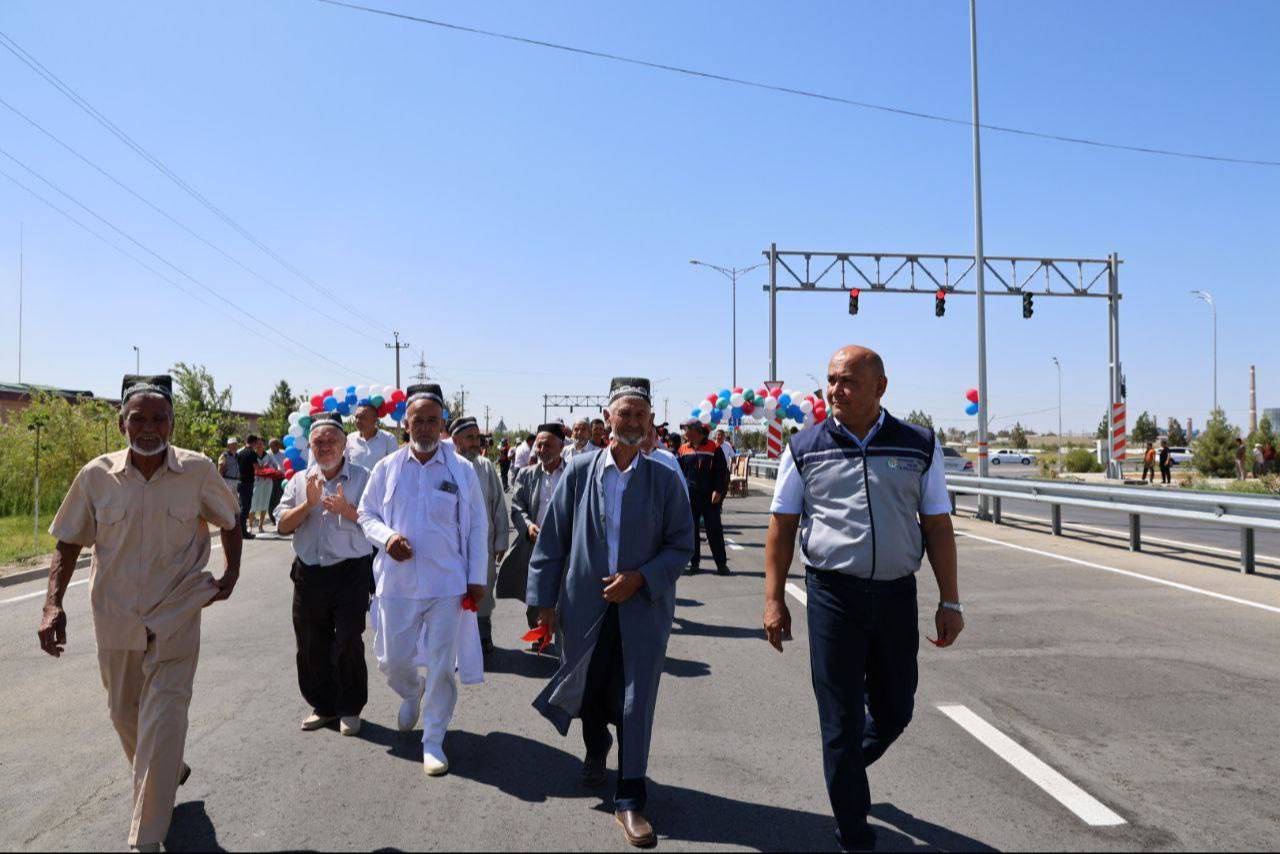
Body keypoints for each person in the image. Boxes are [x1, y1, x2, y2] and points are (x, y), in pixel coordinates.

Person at [763, 346, 963, 852]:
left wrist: (951, 601)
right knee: (840, 719)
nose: (835, 390)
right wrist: (773, 599)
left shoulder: (919, 444)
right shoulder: (804, 447)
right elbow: (781, 526)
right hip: (833, 597)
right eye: (831, 380)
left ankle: (845, 766)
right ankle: (853, 829)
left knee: (895, 710)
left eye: (848, 380)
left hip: (896, 596)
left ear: (880, 387)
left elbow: (937, 526)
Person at [38, 374, 242, 853]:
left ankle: (145, 839)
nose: (149, 427)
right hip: (116, 618)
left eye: (159, 418)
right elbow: (68, 541)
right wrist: (52, 603)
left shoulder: (197, 470)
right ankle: (170, 771)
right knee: (122, 713)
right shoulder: (95, 476)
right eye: (138, 418)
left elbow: (230, 519)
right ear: (121, 423)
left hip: (176, 615)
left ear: (172, 423)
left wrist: (231, 572)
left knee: (165, 720)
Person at [527, 377, 693, 848]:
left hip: (643, 607)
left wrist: (640, 578)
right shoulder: (580, 472)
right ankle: (595, 748)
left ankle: (631, 797)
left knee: (635, 699)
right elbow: (553, 540)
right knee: (590, 686)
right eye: (625, 414)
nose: (633, 422)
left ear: (651, 421)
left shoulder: (664, 476)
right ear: (607, 419)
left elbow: (681, 545)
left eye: (641, 414)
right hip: (584, 605)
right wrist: (543, 604)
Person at [357, 384, 489, 777]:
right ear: (406, 423)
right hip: (397, 584)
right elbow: (365, 514)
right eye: (419, 420)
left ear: (442, 423)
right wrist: (387, 538)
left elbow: (477, 526)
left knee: (442, 665)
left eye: (433, 420)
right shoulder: (387, 468)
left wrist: (476, 577)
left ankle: (433, 740)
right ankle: (411, 691)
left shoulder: (461, 469)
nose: (426, 427)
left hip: (447, 584)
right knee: (392, 659)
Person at [275, 413, 374, 736]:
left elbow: (380, 525)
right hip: (309, 573)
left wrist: (348, 512)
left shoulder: (364, 478)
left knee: (348, 639)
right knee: (310, 642)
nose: (326, 446)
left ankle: (350, 707)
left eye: (332, 440)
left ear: (345, 444)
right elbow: (282, 525)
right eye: (319, 441)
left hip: (350, 573)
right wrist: (308, 505)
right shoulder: (299, 481)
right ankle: (324, 706)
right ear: (310, 446)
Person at [496, 423, 568, 647]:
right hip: (536, 543)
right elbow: (517, 507)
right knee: (537, 591)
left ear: (561, 447)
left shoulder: (572, 474)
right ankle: (539, 634)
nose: (542, 450)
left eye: (548, 445)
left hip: (566, 543)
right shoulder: (527, 474)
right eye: (539, 445)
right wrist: (528, 527)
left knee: (565, 592)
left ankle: (564, 640)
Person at [449, 416, 509, 654]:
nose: (476, 442)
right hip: (452, 546)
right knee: (452, 594)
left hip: (483, 543)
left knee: (483, 590)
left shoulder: (485, 466)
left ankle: (483, 636)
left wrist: (501, 541)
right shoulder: (446, 464)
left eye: (477, 437)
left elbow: (498, 505)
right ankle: (456, 642)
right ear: (456, 440)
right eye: (470, 437)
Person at [679, 420, 731, 576]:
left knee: (714, 530)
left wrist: (718, 490)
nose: (685, 433)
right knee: (691, 531)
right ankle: (694, 563)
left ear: (696, 431)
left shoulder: (713, 447)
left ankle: (721, 564)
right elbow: (679, 473)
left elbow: (722, 472)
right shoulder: (683, 449)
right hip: (690, 496)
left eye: (687, 430)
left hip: (710, 497)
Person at [346, 402, 399, 470]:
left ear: (375, 419)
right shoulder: (350, 438)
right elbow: (345, 464)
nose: (358, 421)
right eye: (356, 417)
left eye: (362, 417)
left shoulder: (388, 439)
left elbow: (395, 466)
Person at [235, 435, 262, 539]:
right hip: (247, 483)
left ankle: (240, 531)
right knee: (245, 508)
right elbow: (257, 468)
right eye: (257, 443)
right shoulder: (252, 453)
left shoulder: (240, 453)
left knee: (242, 507)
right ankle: (242, 532)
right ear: (253, 442)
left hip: (240, 481)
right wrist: (263, 467)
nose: (257, 446)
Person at [250, 442, 279, 532]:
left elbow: (276, 466)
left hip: (267, 482)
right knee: (253, 503)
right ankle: (250, 526)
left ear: (263, 446)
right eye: (257, 444)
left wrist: (268, 467)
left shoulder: (268, 455)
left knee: (265, 503)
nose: (259, 446)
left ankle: (260, 526)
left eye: (261, 444)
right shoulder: (252, 455)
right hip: (256, 482)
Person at [266, 438, 288, 523]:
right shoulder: (267, 454)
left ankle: (279, 517)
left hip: (283, 478)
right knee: (271, 499)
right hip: (271, 479)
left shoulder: (284, 453)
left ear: (278, 445)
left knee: (280, 498)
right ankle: (272, 517)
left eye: (273, 446)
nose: (271, 448)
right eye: (270, 446)